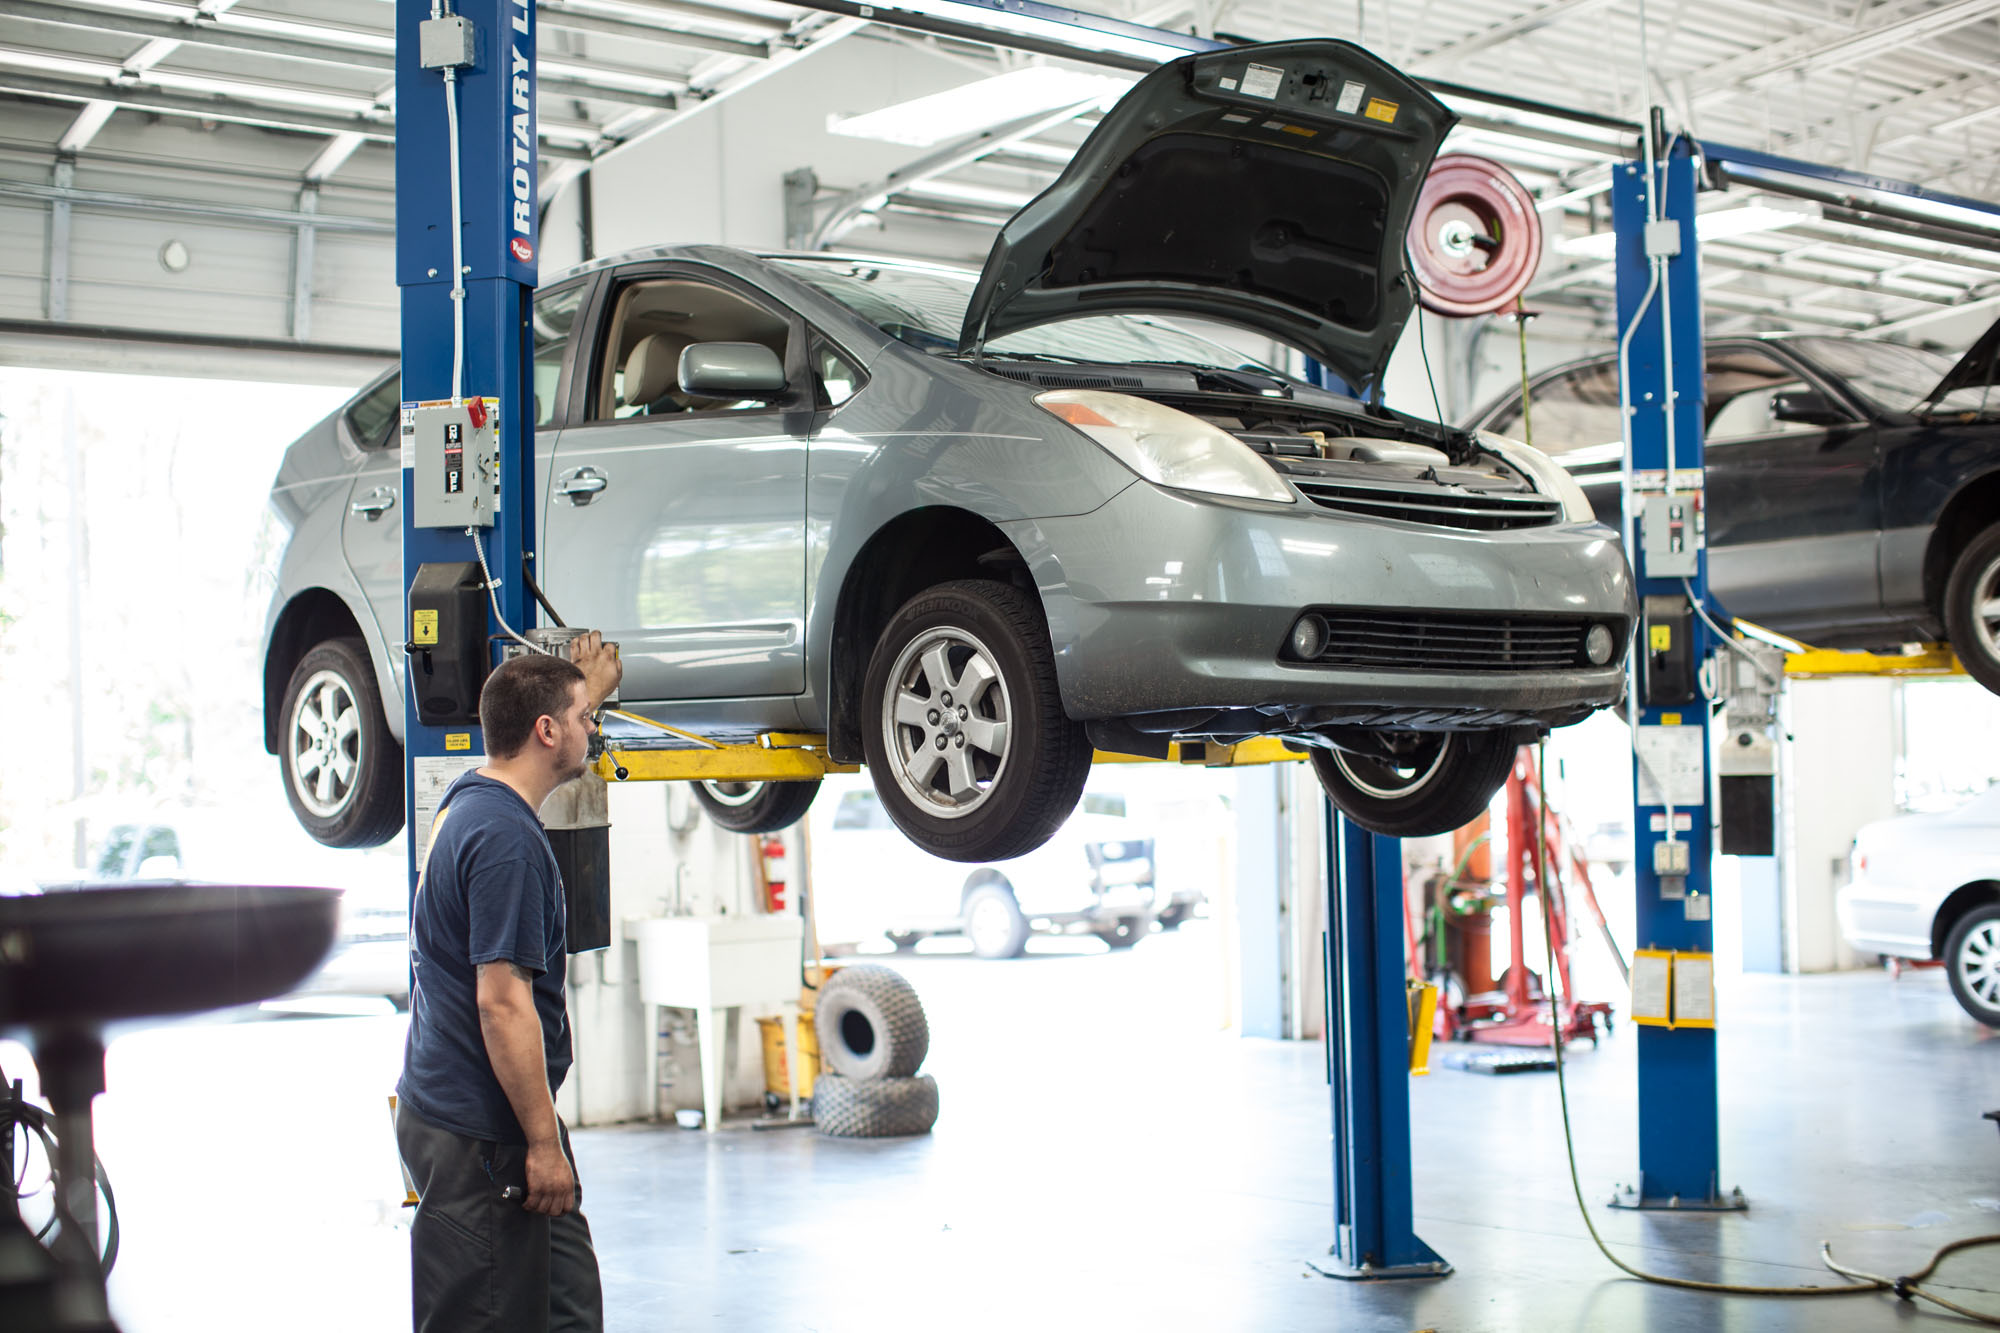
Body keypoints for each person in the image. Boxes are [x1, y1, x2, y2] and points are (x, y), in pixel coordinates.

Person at [395, 631, 622, 1333]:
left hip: (484, 1117)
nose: (596, 726)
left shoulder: (474, 799)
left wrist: (579, 685)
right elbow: (501, 1002)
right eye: (587, 716)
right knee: (486, 1317)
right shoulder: (505, 843)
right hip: (485, 1136)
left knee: (567, 1308)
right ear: (547, 729)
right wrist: (543, 1142)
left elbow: (543, 714)